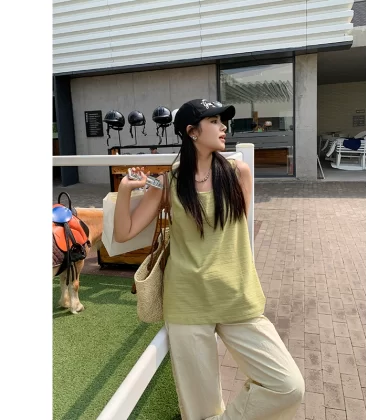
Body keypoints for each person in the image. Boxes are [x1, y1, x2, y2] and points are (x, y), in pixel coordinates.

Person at [113, 99, 304, 420]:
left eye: (221, 121)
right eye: (214, 121)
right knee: (200, 409)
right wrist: (124, 190)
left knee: (287, 386)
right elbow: (124, 232)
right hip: (187, 304)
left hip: (237, 298)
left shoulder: (239, 173)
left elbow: (232, 234)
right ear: (191, 132)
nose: (223, 127)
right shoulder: (169, 183)